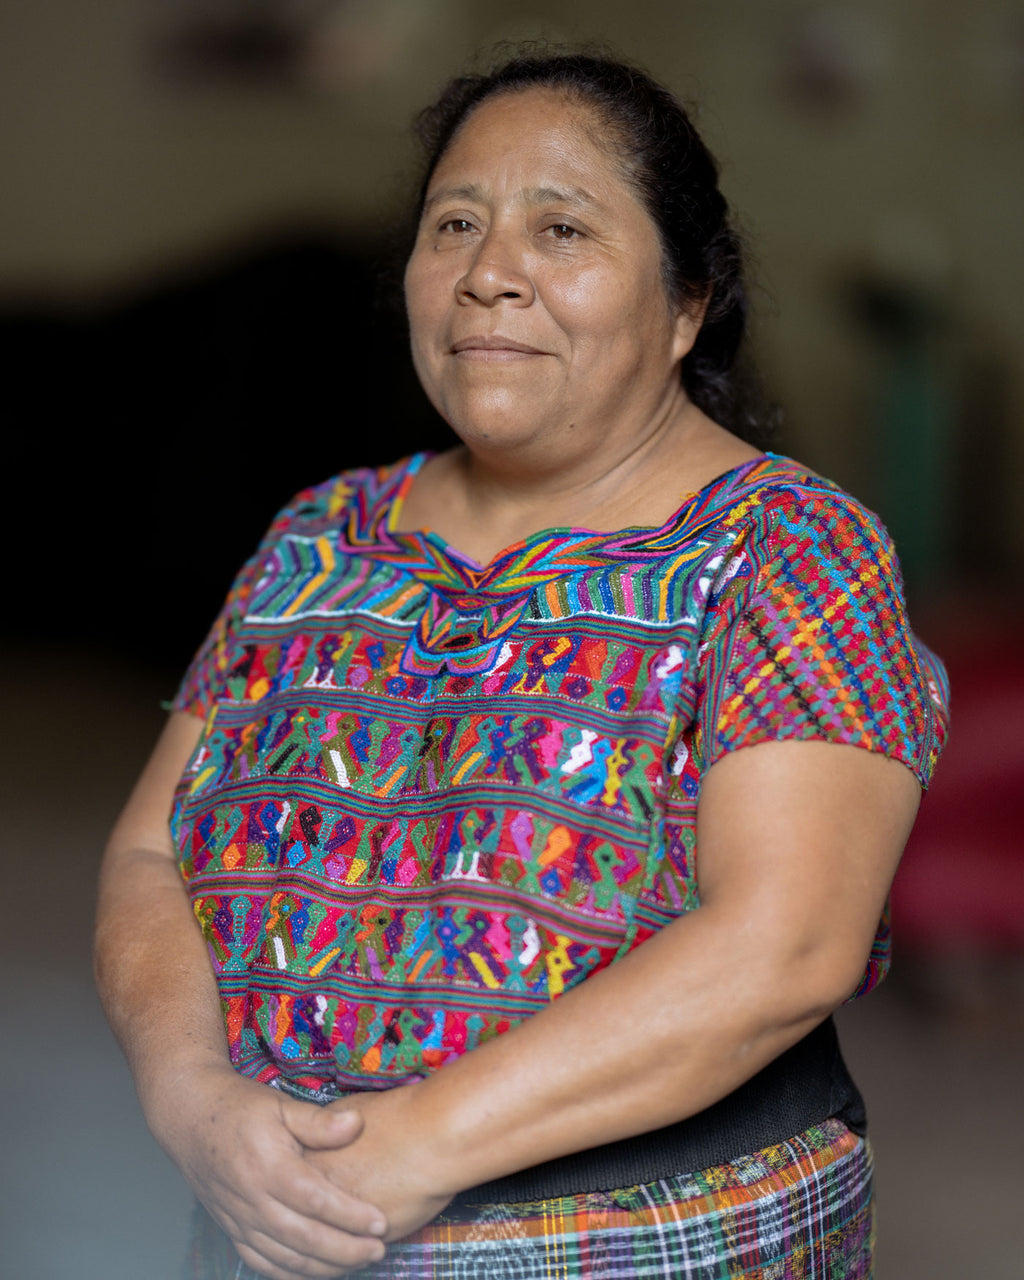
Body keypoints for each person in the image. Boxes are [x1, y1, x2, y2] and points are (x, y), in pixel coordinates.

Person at [95, 51, 949, 1280]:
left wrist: (402, 1152)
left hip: (641, 1242)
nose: (488, 273)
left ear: (687, 304)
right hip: (268, 1218)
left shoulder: (787, 550)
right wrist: (193, 1102)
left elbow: (786, 944)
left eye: (561, 229)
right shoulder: (319, 534)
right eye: (454, 225)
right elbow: (148, 851)